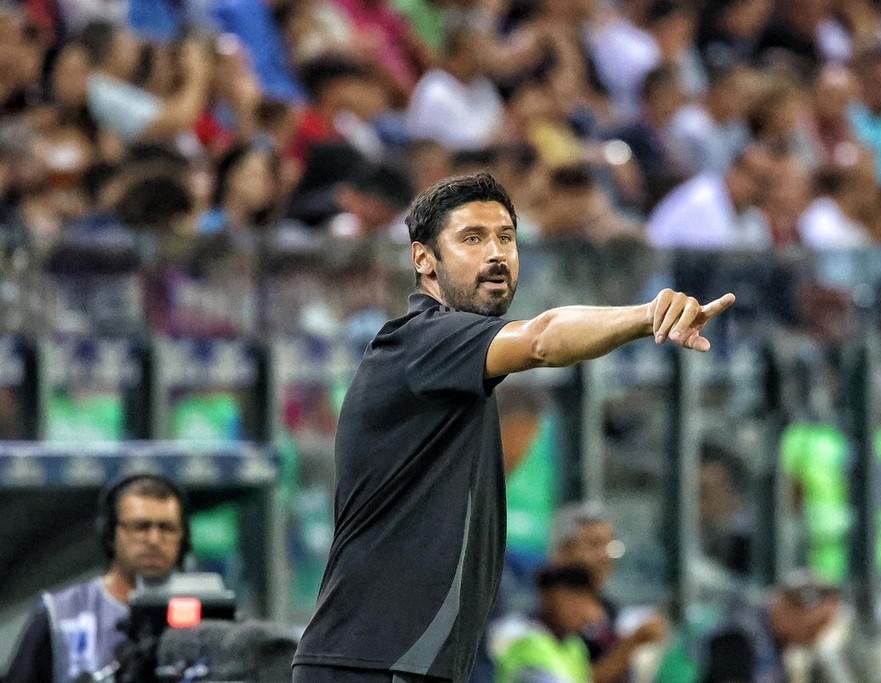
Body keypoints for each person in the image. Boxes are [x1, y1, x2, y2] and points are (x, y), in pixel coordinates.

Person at [291, 171, 735, 683]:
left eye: (506, 237)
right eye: (472, 238)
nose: (496, 253)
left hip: (397, 664)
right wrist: (647, 315)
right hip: (370, 664)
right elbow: (542, 339)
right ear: (423, 259)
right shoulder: (421, 342)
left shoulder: (448, 365)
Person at [6, 473, 191, 683]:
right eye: (141, 527)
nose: (154, 540)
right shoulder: (61, 612)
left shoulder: (207, 611)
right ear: (110, 532)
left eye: (167, 528)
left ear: (183, 537)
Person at [549, 501, 670, 683]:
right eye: (594, 545)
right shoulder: (550, 615)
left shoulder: (609, 609)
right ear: (563, 553)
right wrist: (632, 644)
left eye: (609, 545)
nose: (605, 556)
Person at [494, 565, 604, 683]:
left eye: (584, 601)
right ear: (546, 597)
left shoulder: (576, 646)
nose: (577, 609)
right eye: (569, 601)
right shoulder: (527, 642)